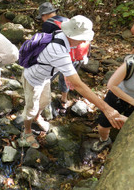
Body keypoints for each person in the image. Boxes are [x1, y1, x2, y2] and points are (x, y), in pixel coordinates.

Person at [19, 15, 122, 148]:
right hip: (33, 79)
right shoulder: (57, 49)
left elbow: (63, 62)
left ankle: (37, 117)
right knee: (31, 109)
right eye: (81, 38)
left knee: (44, 101)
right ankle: (26, 131)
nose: (84, 41)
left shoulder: (63, 36)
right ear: (71, 35)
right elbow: (78, 84)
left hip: (45, 78)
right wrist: (106, 109)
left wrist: (67, 75)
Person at [37, 2, 90, 111]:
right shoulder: (67, 20)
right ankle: (64, 101)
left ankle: (41, 99)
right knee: (66, 79)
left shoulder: (47, 24)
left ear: (44, 15)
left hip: (62, 56)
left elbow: (46, 43)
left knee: (47, 77)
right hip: (77, 56)